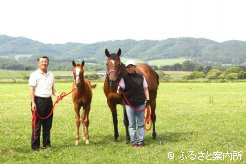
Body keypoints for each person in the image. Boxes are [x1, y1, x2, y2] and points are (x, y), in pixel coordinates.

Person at [29, 56, 59, 151]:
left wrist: (57, 94)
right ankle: (35, 146)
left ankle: (47, 144)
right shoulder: (34, 75)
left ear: (48, 63)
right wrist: (33, 103)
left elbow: (52, 88)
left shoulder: (51, 75)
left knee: (47, 126)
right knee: (37, 126)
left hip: (49, 102)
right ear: (38, 63)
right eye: (42, 61)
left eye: (45, 61)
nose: (44, 63)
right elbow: (32, 90)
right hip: (38, 102)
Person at [117, 59, 150, 147]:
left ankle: (141, 141)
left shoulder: (141, 77)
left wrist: (148, 100)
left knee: (140, 124)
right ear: (126, 69)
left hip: (140, 104)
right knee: (132, 125)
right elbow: (119, 91)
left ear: (135, 67)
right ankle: (134, 142)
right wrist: (119, 89)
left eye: (131, 66)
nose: (130, 68)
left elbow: (146, 89)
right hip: (129, 105)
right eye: (128, 67)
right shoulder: (124, 79)